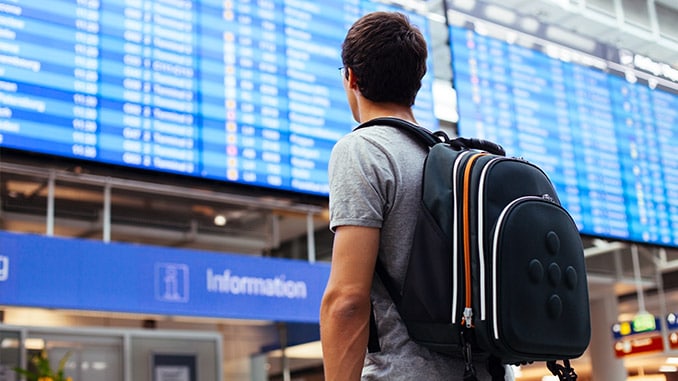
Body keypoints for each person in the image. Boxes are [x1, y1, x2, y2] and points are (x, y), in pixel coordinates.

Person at [320, 11, 514, 380]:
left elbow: (346, 299)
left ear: (351, 78)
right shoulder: (454, 161)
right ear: (418, 82)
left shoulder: (363, 149)